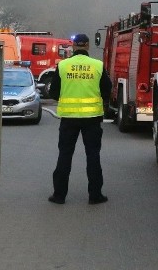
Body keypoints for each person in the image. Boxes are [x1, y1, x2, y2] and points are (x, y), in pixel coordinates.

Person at [47, 32, 112, 205]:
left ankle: (59, 195)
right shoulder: (98, 65)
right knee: (93, 156)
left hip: (69, 119)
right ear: (88, 46)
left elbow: (53, 92)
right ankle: (95, 195)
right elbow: (107, 89)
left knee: (65, 155)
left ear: (74, 46)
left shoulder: (63, 65)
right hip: (92, 118)